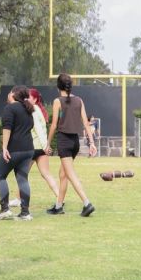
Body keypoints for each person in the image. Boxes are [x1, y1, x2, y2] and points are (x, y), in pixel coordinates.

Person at [45, 73, 96, 217]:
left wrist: (48, 143)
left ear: (58, 86)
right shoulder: (79, 100)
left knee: (70, 174)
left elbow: (54, 125)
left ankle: (87, 203)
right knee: (63, 174)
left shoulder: (57, 101)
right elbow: (86, 123)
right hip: (75, 143)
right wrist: (92, 142)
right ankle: (58, 206)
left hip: (64, 142)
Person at [0, 86, 35, 221]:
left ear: (14, 94)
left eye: (10, 91)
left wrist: (4, 148)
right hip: (28, 149)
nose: (8, 93)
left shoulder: (10, 108)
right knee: (22, 179)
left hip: (14, 149)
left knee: (0, 175)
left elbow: (7, 129)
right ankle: (25, 212)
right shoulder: (28, 109)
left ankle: (5, 209)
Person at [28, 88, 59, 205]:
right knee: (46, 174)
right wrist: (45, 145)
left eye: (28, 97)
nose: (25, 99)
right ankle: (59, 197)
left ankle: (19, 199)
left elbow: (39, 130)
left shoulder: (34, 110)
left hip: (35, 147)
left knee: (22, 175)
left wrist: (45, 145)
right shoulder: (40, 110)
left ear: (35, 99)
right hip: (41, 147)